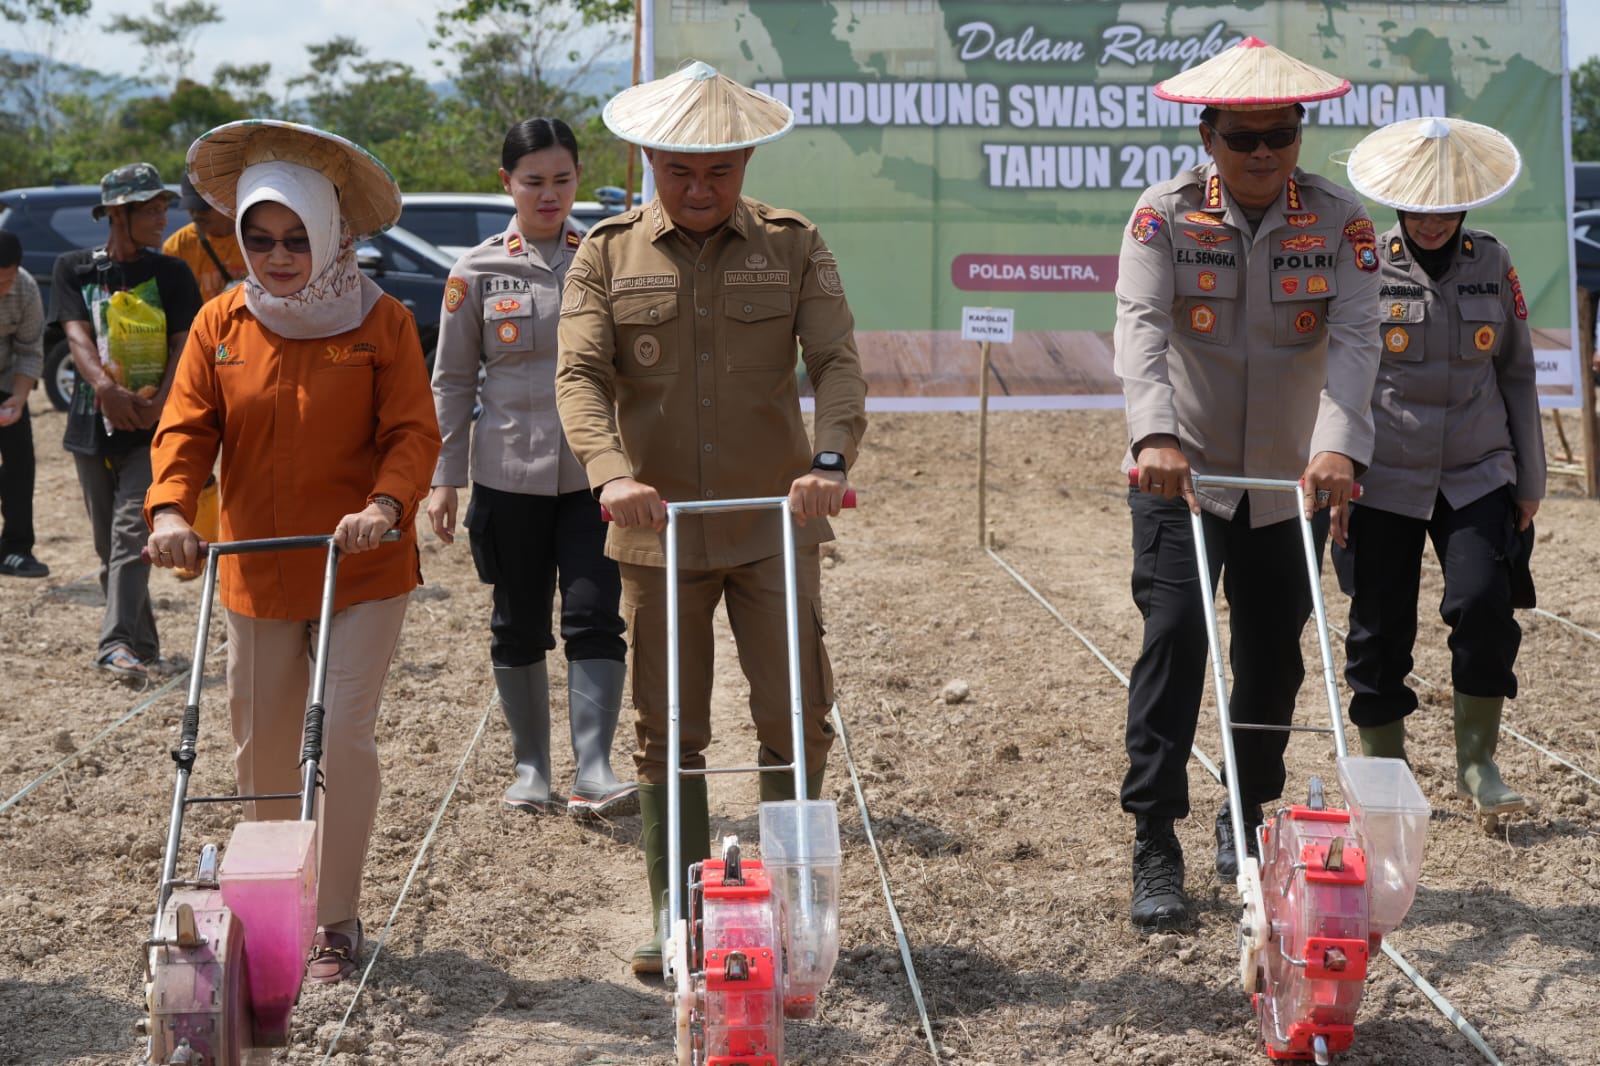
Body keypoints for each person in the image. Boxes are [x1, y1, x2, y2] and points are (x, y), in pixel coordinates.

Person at [556, 61, 867, 974]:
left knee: (794, 715)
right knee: (667, 724)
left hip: (774, 523)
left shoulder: (793, 244)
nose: (699, 189)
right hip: (657, 531)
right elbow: (577, 375)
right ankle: (677, 910)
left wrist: (828, 460)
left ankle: (791, 903)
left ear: (745, 160)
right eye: (680, 171)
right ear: (649, 158)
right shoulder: (604, 253)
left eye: (719, 171)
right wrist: (610, 473)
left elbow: (838, 361)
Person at [144, 120, 441, 984]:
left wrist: (387, 505)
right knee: (263, 748)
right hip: (259, 568)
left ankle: (338, 919)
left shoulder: (382, 323)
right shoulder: (218, 323)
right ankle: (275, 904)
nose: (278, 256)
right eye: (261, 238)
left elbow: (412, 434)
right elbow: (186, 429)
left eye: (297, 237)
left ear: (332, 232)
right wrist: (169, 511)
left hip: (363, 567)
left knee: (339, 737)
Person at [1114, 38, 1382, 933]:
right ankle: (1156, 836)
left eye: (1281, 135)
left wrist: (1340, 447)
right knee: (1175, 637)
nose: (1263, 153)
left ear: (1300, 134)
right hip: (1180, 473)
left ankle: (1247, 810)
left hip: (1290, 478)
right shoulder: (1165, 216)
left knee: (1272, 655)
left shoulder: (1342, 224)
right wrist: (1154, 434)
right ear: (1209, 135)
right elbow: (1142, 324)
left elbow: (1354, 341)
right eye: (1244, 138)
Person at [428, 117, 635, 818]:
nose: (549, 196)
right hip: (506, 474)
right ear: (506, 183)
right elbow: (453, 381)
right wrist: (444, 477)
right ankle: (531, 769)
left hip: (592, 472)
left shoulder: (608, 257)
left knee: (593, 613)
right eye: (533, 181)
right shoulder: (476, 272)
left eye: (562, 180)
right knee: (517, 621)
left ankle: (597, 768)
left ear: (579, 177)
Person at [1337, 118, 1544, 818]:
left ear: (1465, 205)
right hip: (1384, 473)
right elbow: (1335, 373)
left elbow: (1517, 373)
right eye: (1417, 208)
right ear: (1397, 203)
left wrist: (1532, 481)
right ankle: (1387, 778)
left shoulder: (1494, 261)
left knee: (1484, 604)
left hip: (1477, 471)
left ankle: (1478, 763)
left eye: (1445, 207)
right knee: (1377, 625)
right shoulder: (1366, 264)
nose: (1431, 221)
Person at [51, 163, 202, 680]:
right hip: (92, 424)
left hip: (153, 428)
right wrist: (105, 388)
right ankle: (143, 643)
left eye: (164, 206)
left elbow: (185, 345)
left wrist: (162, 401)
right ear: (119, 214)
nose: (163, 216)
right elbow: (76, 337)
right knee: (106, 545)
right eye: (152, 208)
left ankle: (114, 644)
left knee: (126, 534)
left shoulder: (172, 274)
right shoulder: (74, 269)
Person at [0, 231, 48, 578]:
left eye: (6, 279)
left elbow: (29, 349)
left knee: (20, 465)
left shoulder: (26, 287)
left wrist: (18, 398)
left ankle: (16, 549)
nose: (3, 288)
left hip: (7, 382)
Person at [163, 175, 248, 302]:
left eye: (203, 208)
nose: (196, 214)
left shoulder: (256, 240)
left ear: (226, 202)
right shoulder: (177, 246)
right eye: (191, 208)